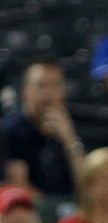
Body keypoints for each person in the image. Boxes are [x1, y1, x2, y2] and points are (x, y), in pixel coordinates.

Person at [0, 60, 86, 197]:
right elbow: (19, 187)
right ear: (25, 91)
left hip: (72, 210)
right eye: (41, 86)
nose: (48, 94)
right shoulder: (10, 130)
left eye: (55, 86)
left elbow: (87, 185)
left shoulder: (71, 128)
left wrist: (69, 139)